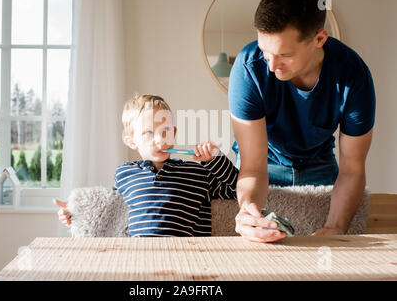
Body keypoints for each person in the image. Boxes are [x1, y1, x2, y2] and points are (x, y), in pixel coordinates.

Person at [229, 0, 375, 243]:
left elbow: (353, 168)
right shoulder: (248, 67)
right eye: (265, 51)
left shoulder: (353, 75)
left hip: (318, 162)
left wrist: (335, 228)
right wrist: (247, 209)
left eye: (284, 55)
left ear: (319, 39)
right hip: (265, 163)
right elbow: (252, 166)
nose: (272, 66)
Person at [55, 95, 277, 237]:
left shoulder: (196, 172)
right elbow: (108, 211)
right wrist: (76, 213)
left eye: (165, 131)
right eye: (148, 133)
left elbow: (234, 190)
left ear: (174, 133)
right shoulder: (125, 174)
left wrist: (215, 160)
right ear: (132, 141)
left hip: (191, 258)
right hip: (140, 259)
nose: (159, 139)